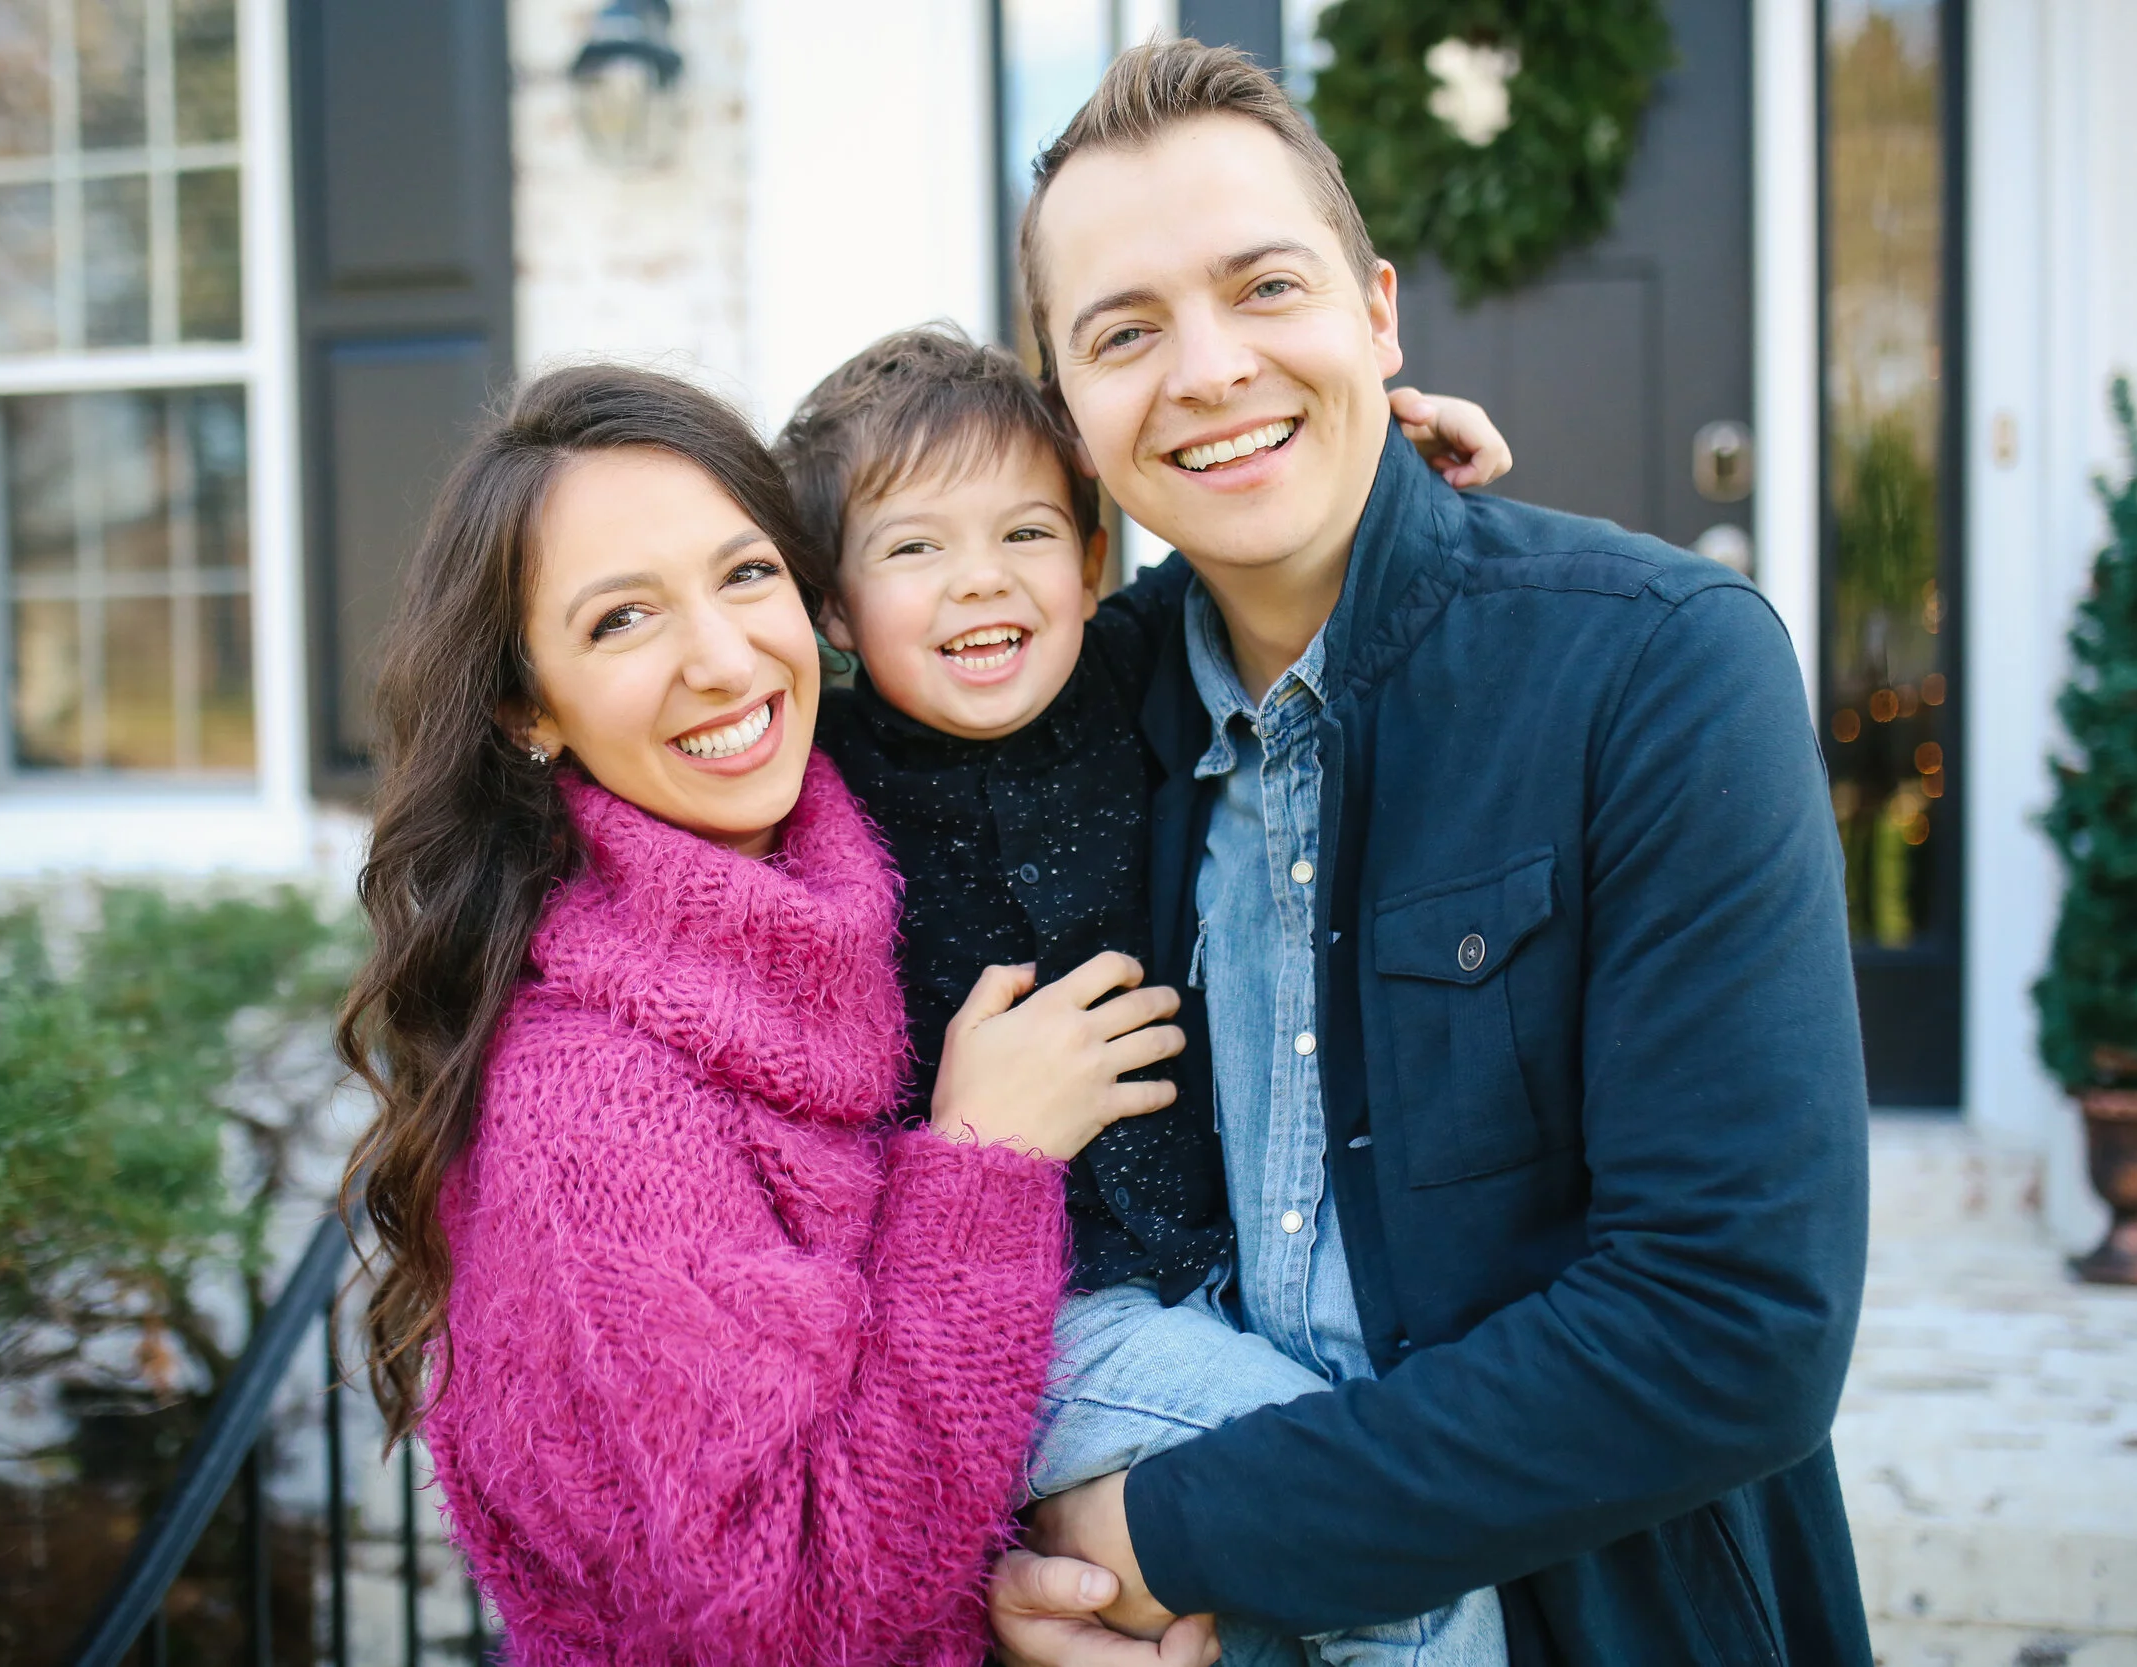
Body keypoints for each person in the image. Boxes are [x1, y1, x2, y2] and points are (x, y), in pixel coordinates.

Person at [988, 40, 1874, 1667]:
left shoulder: (1658, 668)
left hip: (1609, 1623)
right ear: (1070, 416)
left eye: (1267, 287)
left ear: (1379, 315)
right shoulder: (1062, 725)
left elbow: (1733, 1326)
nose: (1206, 371)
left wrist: (1165, 1528)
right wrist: (1019, 1573)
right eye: (1124, 333)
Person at [333, 364, 1195, 1666]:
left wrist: (1363, 485)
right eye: (623, 618)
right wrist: (986, 1164)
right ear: (528, 707)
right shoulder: (592, 1106)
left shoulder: (835, 903)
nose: (725, 657)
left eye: (744, 575)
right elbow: (784, 1617)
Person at [776, 323, 1511, 1667]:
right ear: (830, 608)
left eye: (1026, 535)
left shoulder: (1130, 665)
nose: (979, 585)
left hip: (1222, 1284)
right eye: (913, 548)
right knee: (1392, 1542)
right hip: (1033, 1325)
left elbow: (1279, 538)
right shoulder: (816, 787)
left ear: (1093, 557)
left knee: (1269, 1605)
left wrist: (1390, 460)